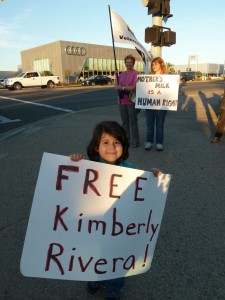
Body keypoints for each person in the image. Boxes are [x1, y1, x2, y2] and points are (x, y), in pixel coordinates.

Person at [70, 121, 162, 300]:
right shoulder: (88, 168)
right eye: (105, 142)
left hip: (119, 229)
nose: (111, 147)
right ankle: (95, 278)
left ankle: (114, 285)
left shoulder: (130, 169)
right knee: (92, 254)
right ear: (96, 147)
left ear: (123, 145)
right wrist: (74, 162)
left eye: (116, 142)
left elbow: (141, 189)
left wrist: (152, 176)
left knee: (116, 258)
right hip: (94, 227)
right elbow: (71, 185)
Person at [114, 54, 139, 148]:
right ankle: (126, 139)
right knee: (125, 122)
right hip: (121, 101)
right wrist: (115, 75)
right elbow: (116, 86)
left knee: (133, 122)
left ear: (133, 63)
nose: (129, 64)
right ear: (125, 63)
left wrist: (123, 87)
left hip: (131, 101)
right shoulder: (122, 74)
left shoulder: (136, 73)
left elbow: (134, 87)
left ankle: (135, 141)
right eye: (127, 62)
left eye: (130, 62)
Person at [144, 57, 168, 151]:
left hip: (161, 106)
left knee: (160, 125)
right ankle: (149, 142)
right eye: (153, 64)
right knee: (149, 125)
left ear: (161, 64)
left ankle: (159, 142)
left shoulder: (167, 77)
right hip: (150, 105)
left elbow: (172, 92)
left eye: (156, 64)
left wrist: (176, 83)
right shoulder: (149, 77)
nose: (154, 66)